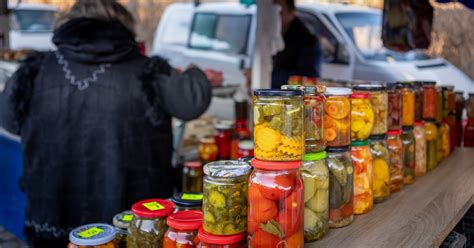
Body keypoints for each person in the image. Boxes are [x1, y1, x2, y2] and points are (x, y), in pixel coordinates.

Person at [0, 0, 218, 246]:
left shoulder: (34, 70)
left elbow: (8, 121)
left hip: (52, 218)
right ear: (124, 26)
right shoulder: (148, 71)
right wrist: (194, 72)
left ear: (68, 24)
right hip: (134, 224)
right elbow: (191, 102)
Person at [272, 0, 322, 89]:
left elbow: (307, 79)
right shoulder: (272, 36)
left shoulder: (308, 40)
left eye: (279, 11)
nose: (274, 16)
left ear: (291, 13)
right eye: (272, 11)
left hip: (296, 99)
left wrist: (266, 74)